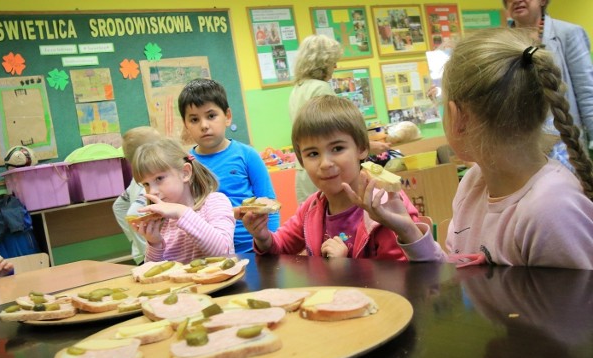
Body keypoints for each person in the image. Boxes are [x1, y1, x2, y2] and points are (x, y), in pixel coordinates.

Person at [345, 28, 593, 269]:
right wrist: (407, 229)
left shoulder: (553, 209)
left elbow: (576, 309)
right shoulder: (474, 182)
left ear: (457, 117)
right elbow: (454, 277)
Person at [243, 95, 426, 260]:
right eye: (313, 154)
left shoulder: (385, 205)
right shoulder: (312, 207)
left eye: (337, 149)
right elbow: (282, 245)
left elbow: (401, 278)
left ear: (361, 148)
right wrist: (263, 237)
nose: (325, 163)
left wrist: (347, 269)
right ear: (301, 160)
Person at [178, 78, 279, 253]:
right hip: (209, 252)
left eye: (211, 116)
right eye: (194, 120)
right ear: (186, 125)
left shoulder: (248, 155)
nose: (204, 125)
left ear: (228, 116)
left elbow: (269, 205)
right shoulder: (186, 165)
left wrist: (270, 243)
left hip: (252, 248)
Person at [503, 0, 593, 158]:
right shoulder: (500, 42)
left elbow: (587, 94)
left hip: (564, 143)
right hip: (520, 144)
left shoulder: (568, 34)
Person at [129, 137, 235, 263]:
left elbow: (223, 252)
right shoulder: (162, 221)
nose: (152, 191)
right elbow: (154, 271)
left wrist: (182, 212)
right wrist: (155, 243)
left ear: (185, 173)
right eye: (146, 184)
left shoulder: (215, 202)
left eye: (159, 179)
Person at [289, 35, 341, 205]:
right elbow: (332, 131)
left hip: (305, 166)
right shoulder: (321, 88)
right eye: (332, 61)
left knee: (309, 219)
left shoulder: (298, 88)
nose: (335, 66)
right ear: (323, 62)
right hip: (324, 167)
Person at [112, 126, 161, 264]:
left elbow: (119, 206)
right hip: (152, 257)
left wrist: (134, 238)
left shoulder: (137, 180)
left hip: (145, 252)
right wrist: (145, 248)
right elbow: (133, 214)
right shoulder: (147, 182)